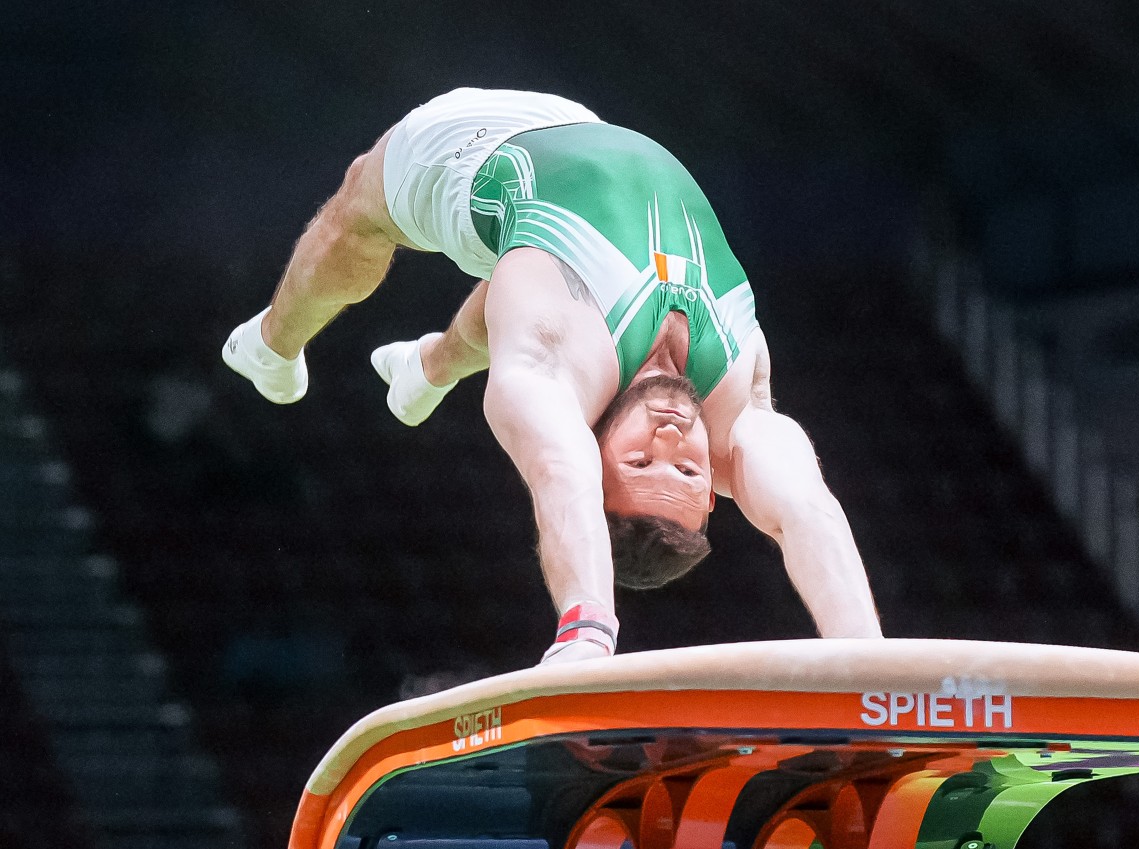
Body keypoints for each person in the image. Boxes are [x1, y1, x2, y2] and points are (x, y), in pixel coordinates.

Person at [221, 88, 881, 662]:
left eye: (641, 462)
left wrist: (587, 630)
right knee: (526, 288)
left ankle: (271, 345)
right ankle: (428, 368)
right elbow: (805, 509)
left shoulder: (553, 379)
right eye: (686, 470)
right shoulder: (739, 411)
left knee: (359, 212)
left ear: (596, 456)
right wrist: (868, 660)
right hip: (578, 123)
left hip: (468, 153)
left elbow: (559, 474)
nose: (673, 438)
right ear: (715, 489)